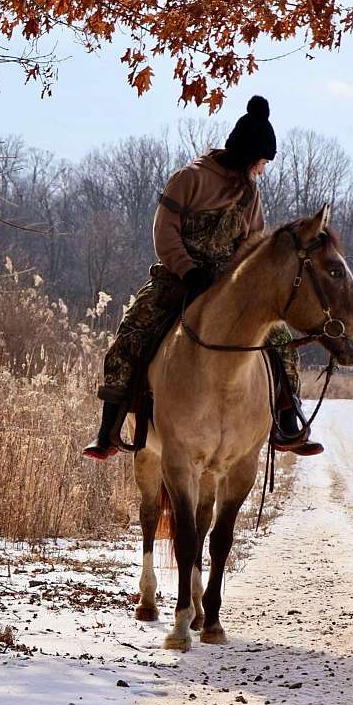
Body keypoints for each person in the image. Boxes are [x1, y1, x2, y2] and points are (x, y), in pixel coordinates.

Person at [83, 95, 323, 461]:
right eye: (261, 162)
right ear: (248, 156)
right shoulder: (188, 179)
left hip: (227, 288)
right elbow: (164, 233)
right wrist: (189, 270)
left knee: (277, 338)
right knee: (131, 333)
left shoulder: (249, 193)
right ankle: (109, 429)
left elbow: (252, 243)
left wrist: (240, 283)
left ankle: (287, 421)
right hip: (178, 279)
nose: (261, 170)